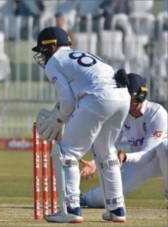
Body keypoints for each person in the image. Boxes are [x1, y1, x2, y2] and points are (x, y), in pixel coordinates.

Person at [32, 27, 131, 223]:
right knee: (106, 153)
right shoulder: (84, 54)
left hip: (98, 99)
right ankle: (116, 209)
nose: (42, 57)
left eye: (43, 51)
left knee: (66, 152)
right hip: (122, 97)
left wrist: (59, 119)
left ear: (51, 47)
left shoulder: (54, 62)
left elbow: (67, 100)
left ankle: (70, 209)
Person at [80, 72, 168, 209]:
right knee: (107, 198)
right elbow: (111, 143)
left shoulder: (157, 113)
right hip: (140, 162)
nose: (125, 100)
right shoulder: (122, 113)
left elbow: (148, 153)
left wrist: (125, 156)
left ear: (141, 95)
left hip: (159, 157)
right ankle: (84, 198)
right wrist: (94, 163)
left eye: (129, 96)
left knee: (164, 147)